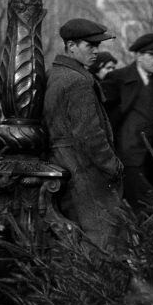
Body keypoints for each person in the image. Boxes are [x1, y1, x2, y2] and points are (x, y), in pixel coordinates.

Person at [43, 18, 124, 251]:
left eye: (97, 46)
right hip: (85, 170)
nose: (96, 51)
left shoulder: (55, 75)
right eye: (90, 46)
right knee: (101, 241)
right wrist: (113, 166)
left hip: (64, 166)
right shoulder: (77, 81)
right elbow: (89, 135)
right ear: (71, 47)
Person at [103, 32, 153, 214]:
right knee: (139, 211)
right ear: (138, 56)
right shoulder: (118, 79)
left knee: (149, 213)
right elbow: (102, 117)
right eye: (152, 55)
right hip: (127, 161)